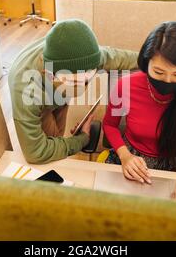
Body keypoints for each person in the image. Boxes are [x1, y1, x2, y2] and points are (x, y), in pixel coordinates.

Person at [102, 21, 176, 203]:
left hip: (170, 168)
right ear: (146, 62)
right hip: (127, 159)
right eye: (158, 72)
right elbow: (110, 125)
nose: (168, 80)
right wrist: (125, 156)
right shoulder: (125, 85)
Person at [8, 19, 139, 164]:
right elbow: (36, 153)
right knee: (48, 148)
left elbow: (122, 58)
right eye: (73, 83)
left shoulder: (90, 59)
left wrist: (153, 62)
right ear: (50, 74)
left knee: (57, 138)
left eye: (87, 80)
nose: (80, 88)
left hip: (55, 87)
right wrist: (81, 139)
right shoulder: (27, 93)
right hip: (38, 92)